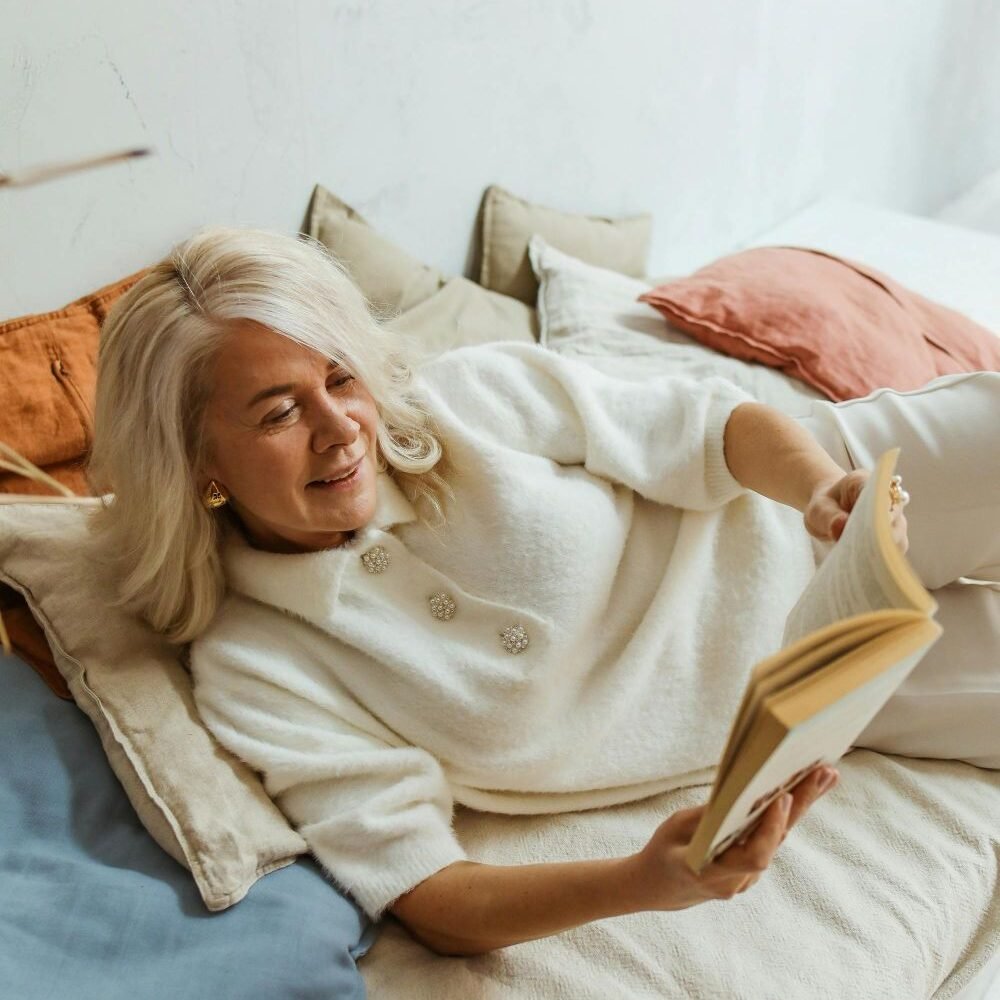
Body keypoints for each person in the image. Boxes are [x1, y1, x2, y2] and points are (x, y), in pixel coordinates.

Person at [85, 225, 999, 958]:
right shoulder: (257, 668)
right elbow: (429, 892)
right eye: (280, 413)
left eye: (340, 378)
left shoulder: (465, 399)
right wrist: (646, 881)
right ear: (195, 463)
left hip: (824, 496)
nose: (341, 429)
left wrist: (821, 490)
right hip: (828, 683)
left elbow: (706, 426)